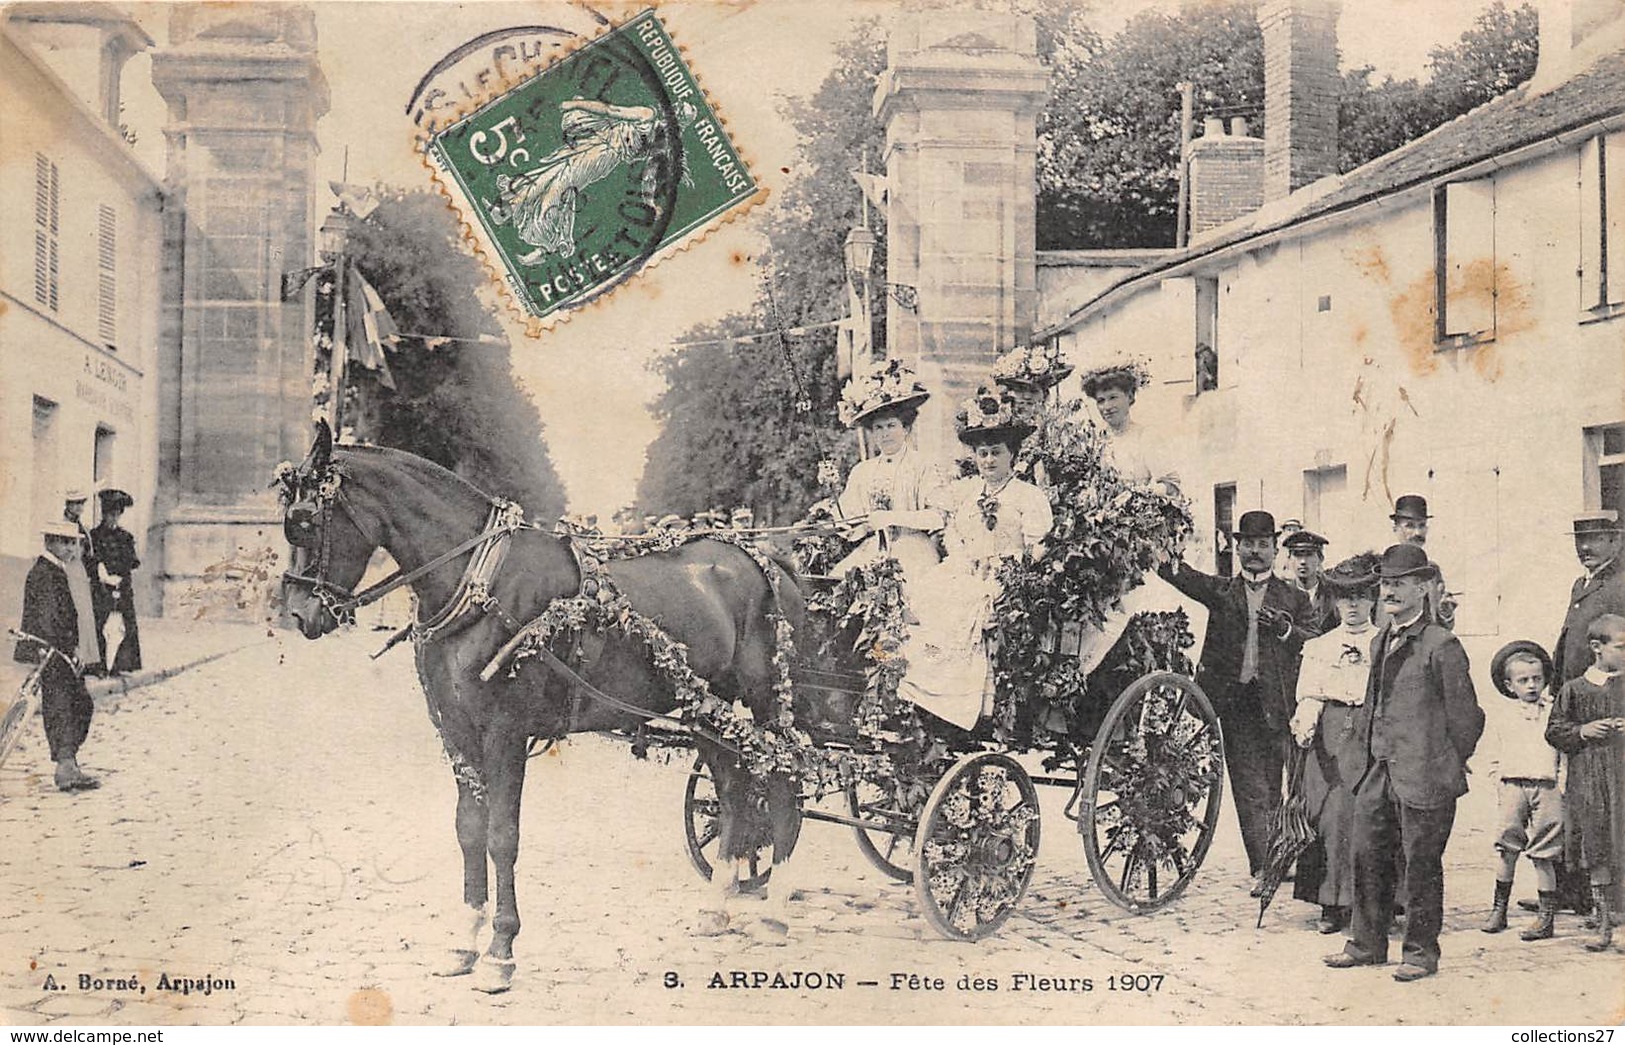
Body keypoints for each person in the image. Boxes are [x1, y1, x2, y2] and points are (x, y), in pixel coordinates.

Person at [1325, 543, 1484, 982]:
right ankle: (1366, 945)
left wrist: (1442, 761)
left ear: (1423, 588)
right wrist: (1361, 758)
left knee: (1421, 865)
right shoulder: (1381, 638)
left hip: (1424, 775)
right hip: (1378, 769)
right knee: (1366, 855)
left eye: (1399, 584)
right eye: (1385, 585)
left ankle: (1419, 953)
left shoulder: (1441, 645)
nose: (1389, 593)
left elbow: (1467, 718)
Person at [1162, 510, 1313, 880]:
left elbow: (1314, 639)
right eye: (1248, 545)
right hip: (1235, 702)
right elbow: (1179, 575)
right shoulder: (1222, 591)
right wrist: (1156, 545)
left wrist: (1285, 630)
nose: (1255, 552)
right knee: (1248, 786)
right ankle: (1263, 865)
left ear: (1276, 550)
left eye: (1263, 545)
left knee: (1277, 780)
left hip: (1277, 702)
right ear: (1237, 548)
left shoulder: (1293, 598)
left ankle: (1282, 852)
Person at [897, 389, 1052, 730]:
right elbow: (952, 531)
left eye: (997, 453)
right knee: (922, 597)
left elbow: (1038, 546)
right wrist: (963, 557)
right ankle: (922, 692)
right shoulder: (967, 492)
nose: (989, 461)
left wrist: (1010, 567)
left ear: (1012, 455)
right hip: (964, 568)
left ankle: (964, 703)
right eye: (983, 454)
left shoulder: (1028, 496)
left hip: (1006, 575)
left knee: (967, 605)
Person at [1290, 551, 1381, 934]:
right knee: (1332, 812)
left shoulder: (1385, 642)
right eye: (1345, 597)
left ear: (1373, 598)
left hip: (1371, 732)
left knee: (1371, 813)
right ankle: (1331, 901)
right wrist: (1305, 724)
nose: (1353, 606)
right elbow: (1309, 693)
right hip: (1330, 734)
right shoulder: (1320, 646)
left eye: (1360, 596)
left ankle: (1376, 901)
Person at [1544, 510, 1625, 919]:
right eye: (1580, 540)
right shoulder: (1583, 583)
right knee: (1574, 801)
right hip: (1575, 704)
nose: (1585, 548)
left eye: (1594, 539)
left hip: (1604, 703)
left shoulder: (1620, 584)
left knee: (1603, 806)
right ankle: (1571, 890)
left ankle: (1602, 899)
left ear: (1617, 541)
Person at [1545, 613, 1625, 952]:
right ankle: (1603, 923)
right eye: (1622, 646)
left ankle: (1620, 926)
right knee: (1597, 850)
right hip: (1589, 783)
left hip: (1622, 782)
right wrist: (1583, 731)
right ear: (1596, 648)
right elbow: (1554, 730)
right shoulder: (1573, 690)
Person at [1479, 640, 1565, 939]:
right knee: (1507, 846)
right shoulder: (1502, 714)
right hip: (1513, 785)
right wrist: (1499, 782)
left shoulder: (1555, 711)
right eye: (1523, 680)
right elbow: (1492, 752)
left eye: (1536, 679)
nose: (1531, 686)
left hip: (1547, 786)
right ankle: (1499, 909)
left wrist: (1560, 784)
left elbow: (1563, 751)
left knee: (1545, 851)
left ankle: (1546, 917)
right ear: (1509, 684)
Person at [834, 359, 948, 581]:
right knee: (838, 582)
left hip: (914, 552)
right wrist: (847, 522)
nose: (885, 434)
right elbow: (849, 523)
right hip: (872, 550)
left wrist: (891, 517)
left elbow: (937, 518)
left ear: (905, 428)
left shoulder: (923, 465)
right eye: (878, 428)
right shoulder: (861, 471)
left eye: (891, 426)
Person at [13, 521, 102, 792]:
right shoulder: (45, 572)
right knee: (64, 706)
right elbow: (49, 619)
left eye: (72, 543)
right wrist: (66, 649)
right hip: (52, 650)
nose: (69, 548)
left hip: (56, 649)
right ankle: (66, 768)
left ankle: (69, 764)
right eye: (64, 542)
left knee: (76, 704)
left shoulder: (54, 570)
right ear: (49, 543)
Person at [1079, 359, 1181, 497]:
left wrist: (1140, 494)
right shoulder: (1094, 440)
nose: (1107, 407)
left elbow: (1171, 485)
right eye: (1101, 401)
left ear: (1130, 397)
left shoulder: (1145, 437)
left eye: (1113, 397)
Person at [92, 488, 142, 673]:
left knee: (123, 624)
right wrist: (102, 573)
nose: (113, 519)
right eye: (109, 515)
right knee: (100, 623)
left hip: (122, 586)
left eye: (116, 515)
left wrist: (120, 577)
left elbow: (131, 561)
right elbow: (92, 560)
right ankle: (99, 665)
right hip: (101, 587)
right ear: (103, 514)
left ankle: (121, 664)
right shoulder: (94, 536)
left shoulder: (126, 537)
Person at [1390, 494, 1456, 629]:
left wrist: (1445, 612)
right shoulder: (1383, 568)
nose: (1417, 533)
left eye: (1422, 525)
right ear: (1395, 529)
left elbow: (1442, 627)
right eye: (1410, 526)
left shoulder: (1432, 569)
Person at [62, 488, 109, 673]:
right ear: (68, 505)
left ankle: (88, 661)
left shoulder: (82, 526)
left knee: (87, 617)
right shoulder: (64, 525)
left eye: (81, 503)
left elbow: (89, 553)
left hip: (82, 574)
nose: (79, 507)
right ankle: (73, 658)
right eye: (75, 503)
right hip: (70, 572)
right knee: (76, 616)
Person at [1284, 529, 1338, 636]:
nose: (1303, 562)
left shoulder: (1333, 594)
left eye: (1309, 555)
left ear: (1321, 559)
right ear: (1289, 559)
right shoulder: (1282, 594)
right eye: (1297, 555)